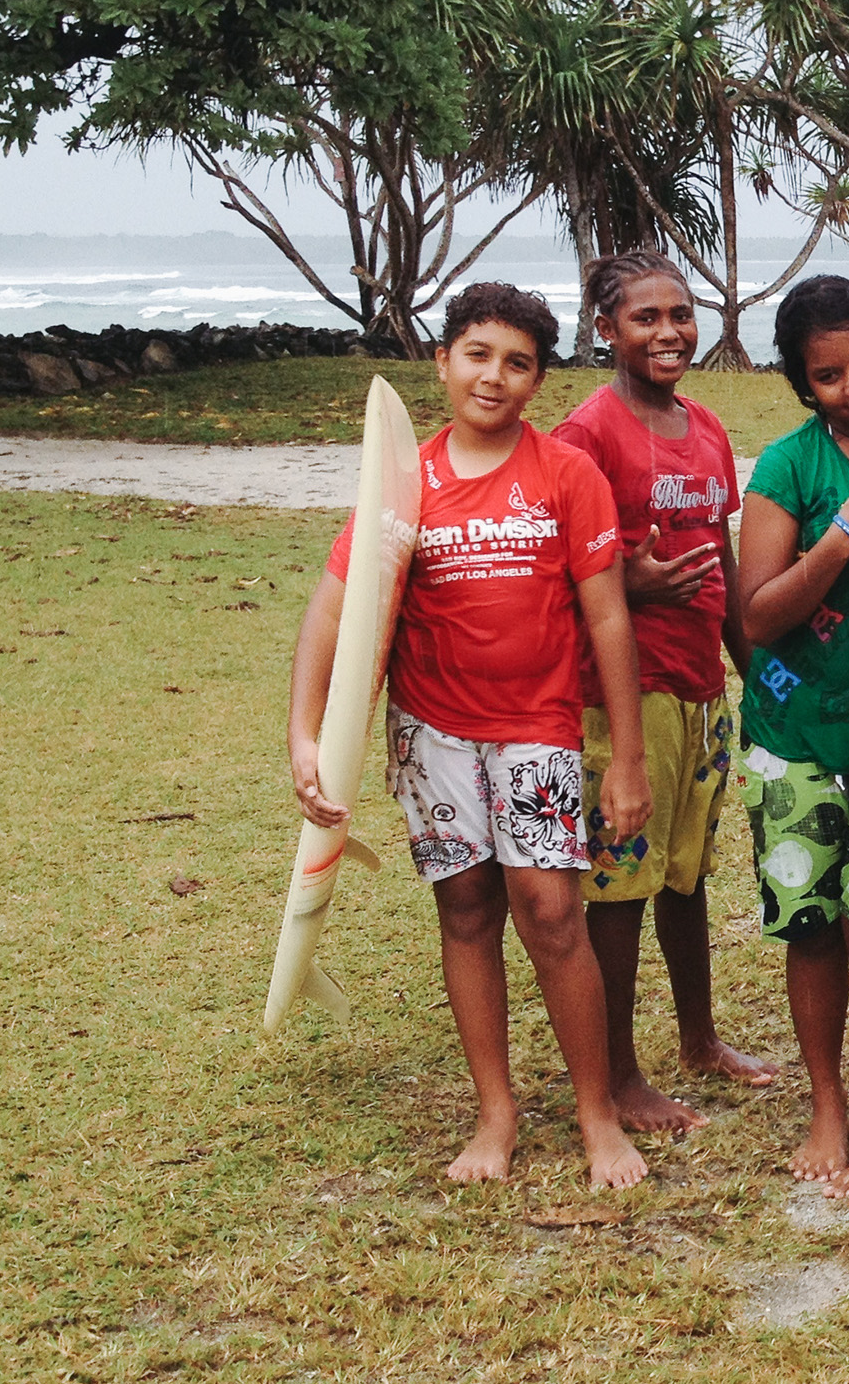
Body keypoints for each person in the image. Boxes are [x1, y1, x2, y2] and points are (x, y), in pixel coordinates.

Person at [288, 281, 651, 1189]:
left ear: (538, 378)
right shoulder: (405, 484)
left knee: (553, 911)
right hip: (433, 732)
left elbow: (608, 620)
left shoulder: (566, 473)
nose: (495, 376)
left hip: (537, 728)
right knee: (467, 910)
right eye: (478, 354)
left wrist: (630, 758)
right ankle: (497, 1112)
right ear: (443, 361)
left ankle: (597, 1112)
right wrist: (305, 735)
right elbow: (334, 614)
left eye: (518, 362)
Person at [552, 249, 779, 1136]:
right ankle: (617, 1075)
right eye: (644, 318)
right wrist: (632, 587)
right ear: (605, 329)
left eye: (680, 313)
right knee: (618, 885)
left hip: (699, 688)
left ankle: (699, 1038)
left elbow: (719, 562)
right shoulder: (585, 436)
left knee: (685, 872)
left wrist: (753, 670)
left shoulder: (710, 428)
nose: (668, 331)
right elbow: (559, 570)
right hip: (623, 693)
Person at [734, 276, 849, 1198]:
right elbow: (757, 618)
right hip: (795, 732)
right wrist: (845, 534)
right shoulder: (788, 467)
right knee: (810, 930)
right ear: (803, 387)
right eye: (828, 374)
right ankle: (826, 1105)